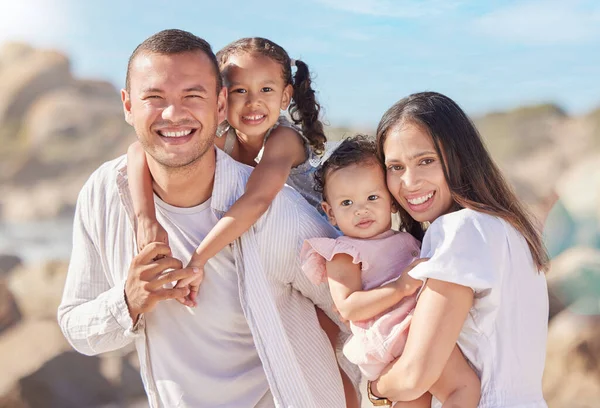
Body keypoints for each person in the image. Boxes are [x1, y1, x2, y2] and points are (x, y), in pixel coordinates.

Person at [57, 29, 360, 408]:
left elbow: (357, 313)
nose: (173, 113)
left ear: (216, 104)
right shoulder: (105, 194)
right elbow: (77, 329)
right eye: (154, 97)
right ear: (128, 105)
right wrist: (129, 298)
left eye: (192, 95)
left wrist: (373, 395)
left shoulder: (279, 203)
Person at [369, 91, 550, 407]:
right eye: (395, 167)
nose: (409, 182)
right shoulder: (512, 229)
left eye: (426, 161)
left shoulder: (459, 230)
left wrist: (377, 387)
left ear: (460, 157)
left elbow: (414, 376)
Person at [127, 37, 326, 304]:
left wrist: (198, 259)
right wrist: (147, 219)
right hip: (259, 246)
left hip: (311, 252)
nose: (253, 102)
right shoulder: (225, 137)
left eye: (266, 89)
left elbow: (257, 199)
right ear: (220, 99)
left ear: (285, 96)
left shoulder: (283, 141)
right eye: (240, 91)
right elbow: (138, 150)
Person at [300, 135, 481, 407]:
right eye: (347, 203)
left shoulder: (404, 239)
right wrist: (400, 288)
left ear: (392, 201)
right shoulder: (344, 252)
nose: (361, 210)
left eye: (372, 197)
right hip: (395, 331)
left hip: (411, 326)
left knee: (417, 400)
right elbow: (348, 306)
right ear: (330, 212)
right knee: (462, 389)